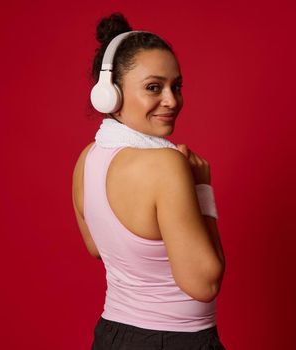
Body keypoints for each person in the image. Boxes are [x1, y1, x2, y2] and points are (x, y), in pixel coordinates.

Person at [71, 12, 226, 350]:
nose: (172, 100)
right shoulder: (167, 165)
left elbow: (97, 247)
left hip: (111, 336)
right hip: (176, 341)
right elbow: (204, 285)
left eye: (176, 86)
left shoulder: (87, 159)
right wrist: (203, 190)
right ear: (109, 94)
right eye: (154, 87)